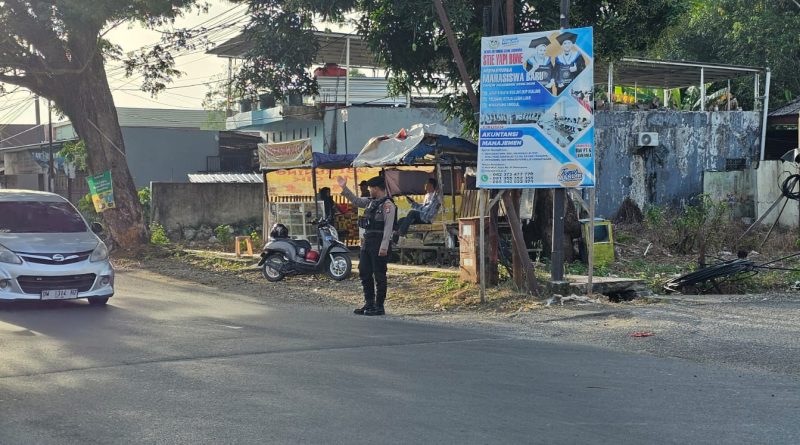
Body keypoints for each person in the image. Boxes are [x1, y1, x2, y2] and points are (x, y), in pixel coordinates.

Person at [337, 175, 396, 316]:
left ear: (376, 188)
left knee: (379, 274)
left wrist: (384, 246)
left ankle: (379, 306)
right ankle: (369, 303)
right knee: (364, 272)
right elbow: (356, 201)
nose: (369, 191)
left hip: (379, 241)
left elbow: (388, 227)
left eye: (371, 188)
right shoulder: (371, 202)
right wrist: (344, 188)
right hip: (368, 241)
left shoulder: (388, 205)